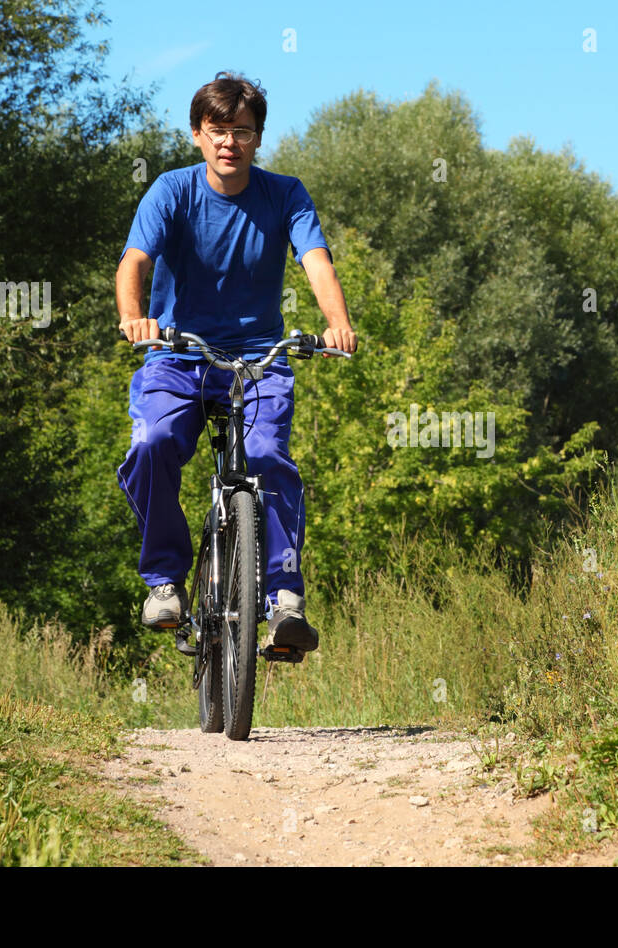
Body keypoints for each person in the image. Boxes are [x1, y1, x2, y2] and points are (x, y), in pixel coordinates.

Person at [115, 71, 356, 653]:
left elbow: (315, 260)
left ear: (258, 138)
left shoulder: (285, 194)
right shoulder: (171, 192)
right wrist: (135, 316)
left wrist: (338, 323)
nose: (230, 142)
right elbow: (134, 264)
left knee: (270, 457)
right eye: (218, 130)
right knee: (151, 445)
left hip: (257, 360)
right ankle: (165, 581)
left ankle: (283, 601)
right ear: (198, 134)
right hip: (177, 354)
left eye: (242, 132)